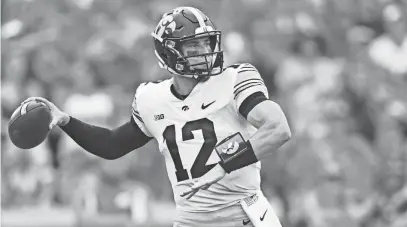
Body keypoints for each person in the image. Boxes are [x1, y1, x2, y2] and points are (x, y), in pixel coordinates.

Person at [23, 6, 291, 227]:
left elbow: (277, 128)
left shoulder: (234, 79)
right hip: (191, 221)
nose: (205, 52)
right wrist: (67, 121)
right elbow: (112, 145)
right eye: (193, 46)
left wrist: (225, 164)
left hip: (243, 214)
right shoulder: (152, 99)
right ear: (169, 53)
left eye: (206, 43)